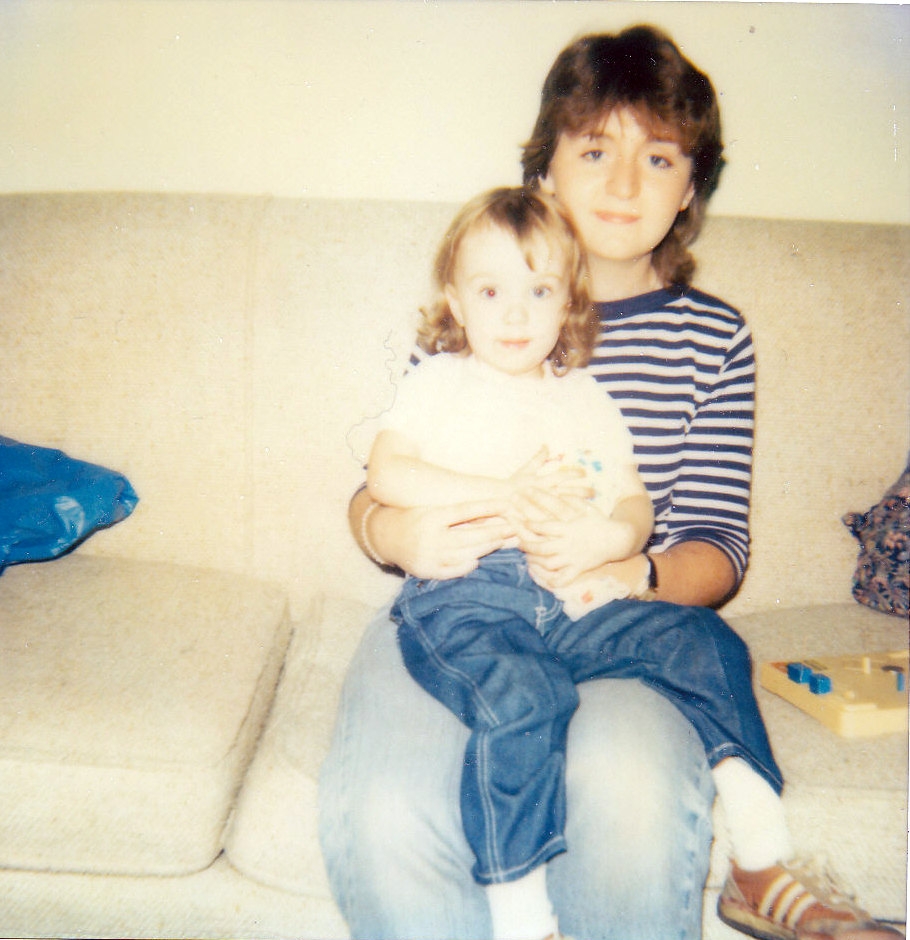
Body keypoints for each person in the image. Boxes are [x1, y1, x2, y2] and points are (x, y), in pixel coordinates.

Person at [319, 25, 902, 940]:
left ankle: (760, 868)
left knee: (631, 800)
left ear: (691, 188)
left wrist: (628, 566)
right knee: (390, 817)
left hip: (602, 605)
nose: (625, 184)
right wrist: (395, 535)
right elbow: (381, 483)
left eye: (658, 157)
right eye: (595, 150)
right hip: (464, 599)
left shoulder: (713, 339)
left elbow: (717, 545)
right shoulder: (485, 297)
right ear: (544, 169)